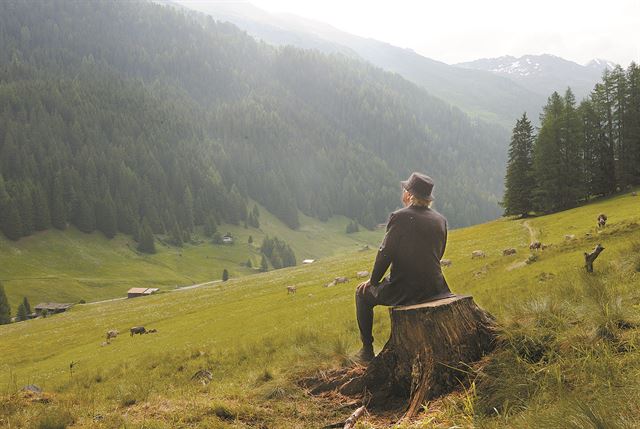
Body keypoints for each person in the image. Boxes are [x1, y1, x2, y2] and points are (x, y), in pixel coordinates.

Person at [354, 172, 452, 363]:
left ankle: (366, 351)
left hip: (405, 290)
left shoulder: (400, 217)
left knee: (361, 294)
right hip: (436, 288)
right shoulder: (440, 220)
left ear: (409, 194)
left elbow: (385, 253)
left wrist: (373, 282)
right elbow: (438, 254)